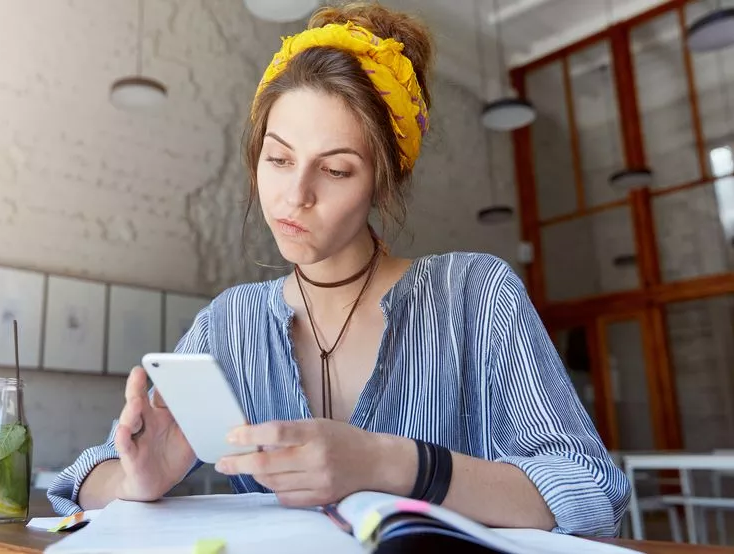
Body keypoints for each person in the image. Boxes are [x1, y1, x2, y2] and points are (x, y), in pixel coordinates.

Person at [47, 2, 630, 537]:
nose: (294, 195)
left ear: (383, 182)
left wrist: (388, 463)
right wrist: (137, 482)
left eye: (337, 170)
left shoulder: (474, 295)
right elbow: (79, 481)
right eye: (277, 159)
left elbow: (590, 493)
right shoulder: (232, 323)